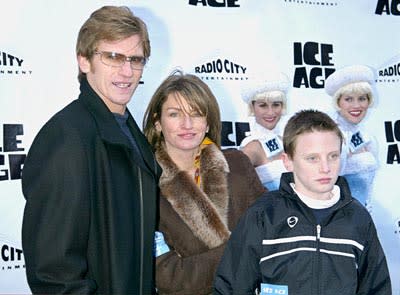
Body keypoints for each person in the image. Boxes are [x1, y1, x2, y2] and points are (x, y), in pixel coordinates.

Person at [21, 6, 160, 294]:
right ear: (84, 61)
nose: (127, 71)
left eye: (136, 60)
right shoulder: (66, 137)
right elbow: (53, 273)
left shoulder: (129, 132)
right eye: (113, 57)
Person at [214, 109, 392, 295]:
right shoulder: (263, 215)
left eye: (333, 156)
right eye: (312, 158)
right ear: (288, 161)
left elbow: (377, 289)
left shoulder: (358, 218)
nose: (325, 168)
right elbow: (231, 288)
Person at [143, 70, 265, 295]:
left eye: (197, 113)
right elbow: (170, 279)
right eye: (174, 114)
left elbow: (272, 242)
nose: (187, 124)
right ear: (157, 122)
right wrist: (244, 251)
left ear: (208, 122)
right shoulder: (144, 186)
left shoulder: (239, 165)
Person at [325, 64, 379, 209]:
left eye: (362, 98)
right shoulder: (331, 136)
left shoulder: (367, 138)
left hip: (362, 217)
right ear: (338, 102)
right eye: (349, 99)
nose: (356, 105)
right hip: (340, 220)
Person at [239, 74, 289, 191]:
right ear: (252, 107)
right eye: (263, 105)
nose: (270, 112)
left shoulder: (285, 140)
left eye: (276, 104)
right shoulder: (252, 147)